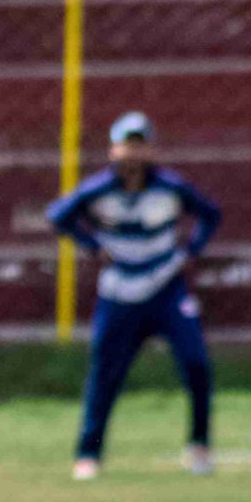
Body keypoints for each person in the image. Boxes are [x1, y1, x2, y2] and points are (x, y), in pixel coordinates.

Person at [48, 111, 222, 479]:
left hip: (167, 287)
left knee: (196, 363)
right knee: (105, 373)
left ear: (151, 150)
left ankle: (199, 446)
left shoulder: (171, 187)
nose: (133, 153)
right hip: (119, 291)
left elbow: (210, 214)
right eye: (127, 145)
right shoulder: (97, 190)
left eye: (140, 145)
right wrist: (91, 246)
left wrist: (191, 251)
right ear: (113, 150)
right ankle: (88, 454)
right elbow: (59, 216)